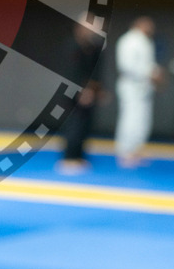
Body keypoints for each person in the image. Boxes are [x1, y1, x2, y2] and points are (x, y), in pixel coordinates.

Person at [56, 15, 106, 175]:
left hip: (88, 93)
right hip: (72, 92)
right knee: (74, 124)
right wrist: (81, 90)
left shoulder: (92, 47)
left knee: (85, 125)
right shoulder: (71, 46)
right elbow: (71, 72)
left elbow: (94, 72)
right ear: (80, 28)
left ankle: (78, 155)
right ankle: (68, 157)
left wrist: (96, 90)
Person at [114, 17, 164, 168]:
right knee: (130, 119)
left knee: (142, 120)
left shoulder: (145, 41)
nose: (151, 28)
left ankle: (136, 149)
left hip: (144, 87)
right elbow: (126, 66)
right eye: (148, 25)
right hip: (131, 86)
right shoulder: (128, 40)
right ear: (138, 25)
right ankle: (125, 151)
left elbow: (148, 63)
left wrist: (156, 73)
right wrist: (149, 73)